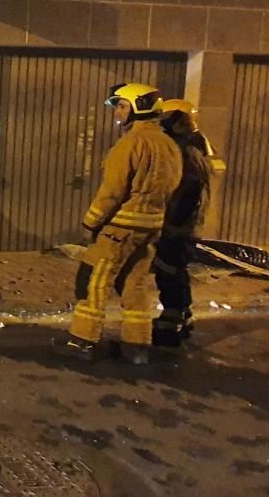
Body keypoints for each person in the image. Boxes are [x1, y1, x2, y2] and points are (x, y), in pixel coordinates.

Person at [57, 83, 182, 365]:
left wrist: (90, 222)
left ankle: (82, 341)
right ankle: (137, 347)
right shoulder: (169, 145)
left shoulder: (130, 144)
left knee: (94, 281)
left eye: (122, 106)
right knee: (135, 284)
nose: (118, 113)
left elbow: (112, 191)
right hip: (151, 227)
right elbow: (173, 186)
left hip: (119, 227)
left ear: (138, 108)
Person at [151, 99, 214, 347]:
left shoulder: (186, 149)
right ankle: (181, 318)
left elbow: (190, 189)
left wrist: (173, 225)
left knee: (169, 270)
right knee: (175, 269)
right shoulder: (192, 145)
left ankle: (172, 323)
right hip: (183, 225)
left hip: (180, 227)